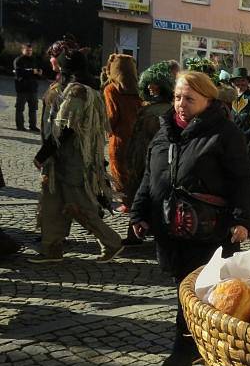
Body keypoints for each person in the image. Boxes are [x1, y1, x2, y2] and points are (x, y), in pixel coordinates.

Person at [130, 71, 250, 366]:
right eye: (176, 97)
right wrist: (140, 212)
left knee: (194, 291)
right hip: (170, 226)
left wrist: (243, 219)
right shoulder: (165, 130)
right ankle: (200, 343)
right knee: (184, 287)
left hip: (207, 229)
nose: (180, 104)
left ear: (207, 99)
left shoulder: (224, 133)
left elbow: (242, 179)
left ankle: (184, 350)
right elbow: (151, 175)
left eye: (189, 98)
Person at [28, 48, 124, 264]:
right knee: (53, 204)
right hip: (59, 162)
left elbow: (66, 128)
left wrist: (43, 154)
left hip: (73, 162)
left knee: (81, 206)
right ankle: (51, 247)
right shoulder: (77, 88)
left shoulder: (78, 91)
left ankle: (112, 243)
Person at [120, 61, 175, 246]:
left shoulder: (161, 111)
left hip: (150, 158)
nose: (151, 88)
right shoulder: (153, 108)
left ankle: (139, 233)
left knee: (146, 194)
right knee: (142, 194)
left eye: (155, 85)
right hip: (144, 157)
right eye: (149, 85)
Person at [103, 54, 143, 211]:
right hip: (137, 136)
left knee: (119, 170)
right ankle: (136, 200)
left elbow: (112, 115)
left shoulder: (112, 89)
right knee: (134, 169)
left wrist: (107, 130)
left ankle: (126, 203)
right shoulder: (138, 89)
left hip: (120, 137)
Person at [229, 67, 250, 219]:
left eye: (243, 80)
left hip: (248, 144)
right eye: (237, 81)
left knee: (249, 182)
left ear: (247, 82)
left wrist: (242, 135)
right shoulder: (232, 99)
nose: (240, 83)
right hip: (234, 146)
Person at [14, 43, 42, 132]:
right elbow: (19, 73)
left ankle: (33, 126)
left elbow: (36, 72)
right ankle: (20, 126)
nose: (29, 52)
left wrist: (39, 73)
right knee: (20, 109)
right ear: (23, 50)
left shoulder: (34, 60)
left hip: (33, 88)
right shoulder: (18, 60)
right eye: (27, 50)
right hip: (22, 89)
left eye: (30, 50)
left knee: (33, 109)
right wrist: (31, 71)